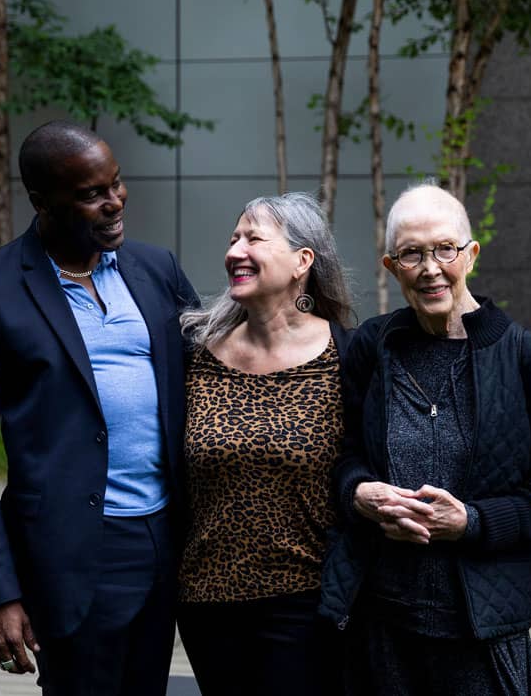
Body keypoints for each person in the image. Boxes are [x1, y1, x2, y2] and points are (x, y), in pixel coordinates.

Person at [0, 121, 197, 696]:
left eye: (116, 183)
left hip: (164, 539)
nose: (114, 201)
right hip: (72, 555)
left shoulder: (157, 269)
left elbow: (211, 380)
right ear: (42, 201)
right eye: (90, 194)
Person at [320, 183, 531, 696]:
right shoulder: (374, 347)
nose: (430, 268)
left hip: (480, 629)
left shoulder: (524, 357)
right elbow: (344, 457)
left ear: (471, 254)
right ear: (392, 267)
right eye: (411, 254)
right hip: (381, 621)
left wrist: (470, 522)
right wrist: (360, 492)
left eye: (444, 249)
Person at [177, 193, 353, 695]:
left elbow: (382, 451)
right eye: (234, 239)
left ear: (303, 261)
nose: (235, 251)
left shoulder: (347, 354)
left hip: (308, 600)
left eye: (254, 239)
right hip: (206, 602)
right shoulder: (194, 354)